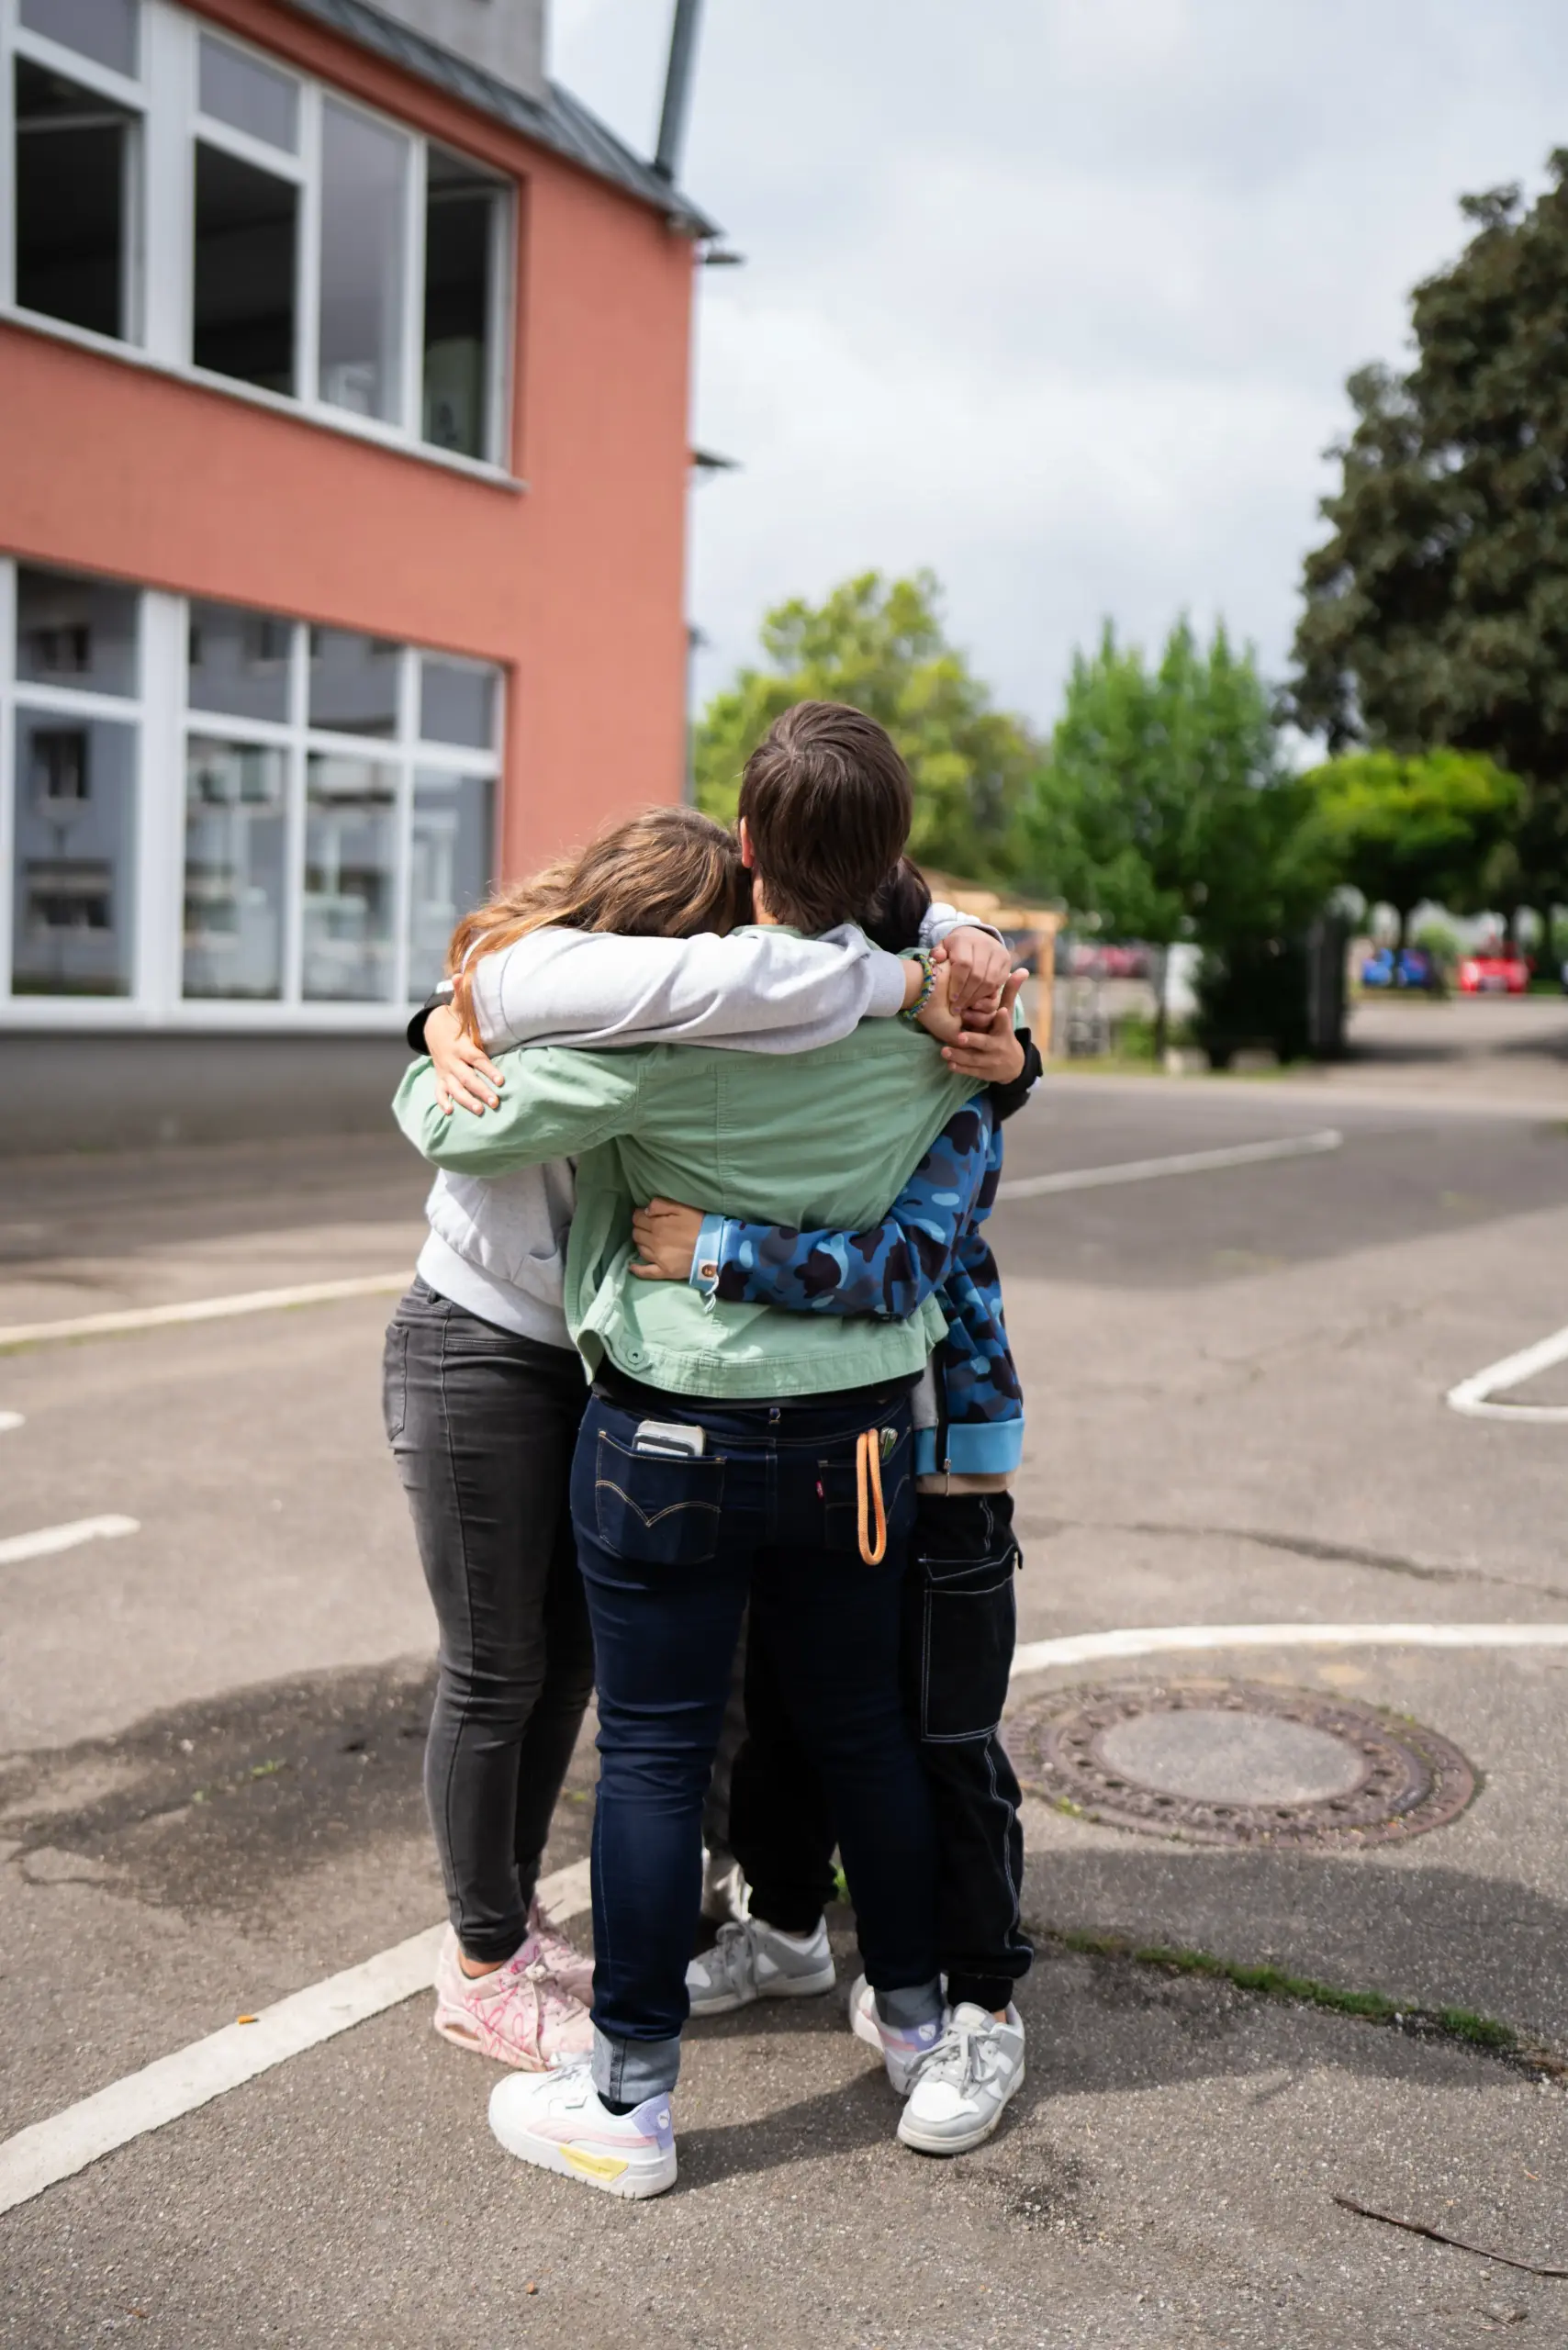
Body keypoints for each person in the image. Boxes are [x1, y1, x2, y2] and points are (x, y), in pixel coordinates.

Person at [393, 701, 1007, 2199]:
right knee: (861, 1727)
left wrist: (440, 1036)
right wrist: (960, 985)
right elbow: (1005, 1069)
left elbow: (456, 1125)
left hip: (669, 1431)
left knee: (655, 1757)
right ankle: (920, 2031)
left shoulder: (656, 1043)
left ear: (746, 852)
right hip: (861, 1437)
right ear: (892, 863)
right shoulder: (933, 1041)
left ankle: (636, 2105)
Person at [635, 857, 1039, 2156]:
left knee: (939, 1731)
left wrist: (714, 1246)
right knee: (793, 1703)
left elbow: (905, 1265)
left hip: (940, 1450)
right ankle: (793, 1929)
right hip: (810, 1428)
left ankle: (981, 2003)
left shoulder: (953, 1065)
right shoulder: (801, 1045)